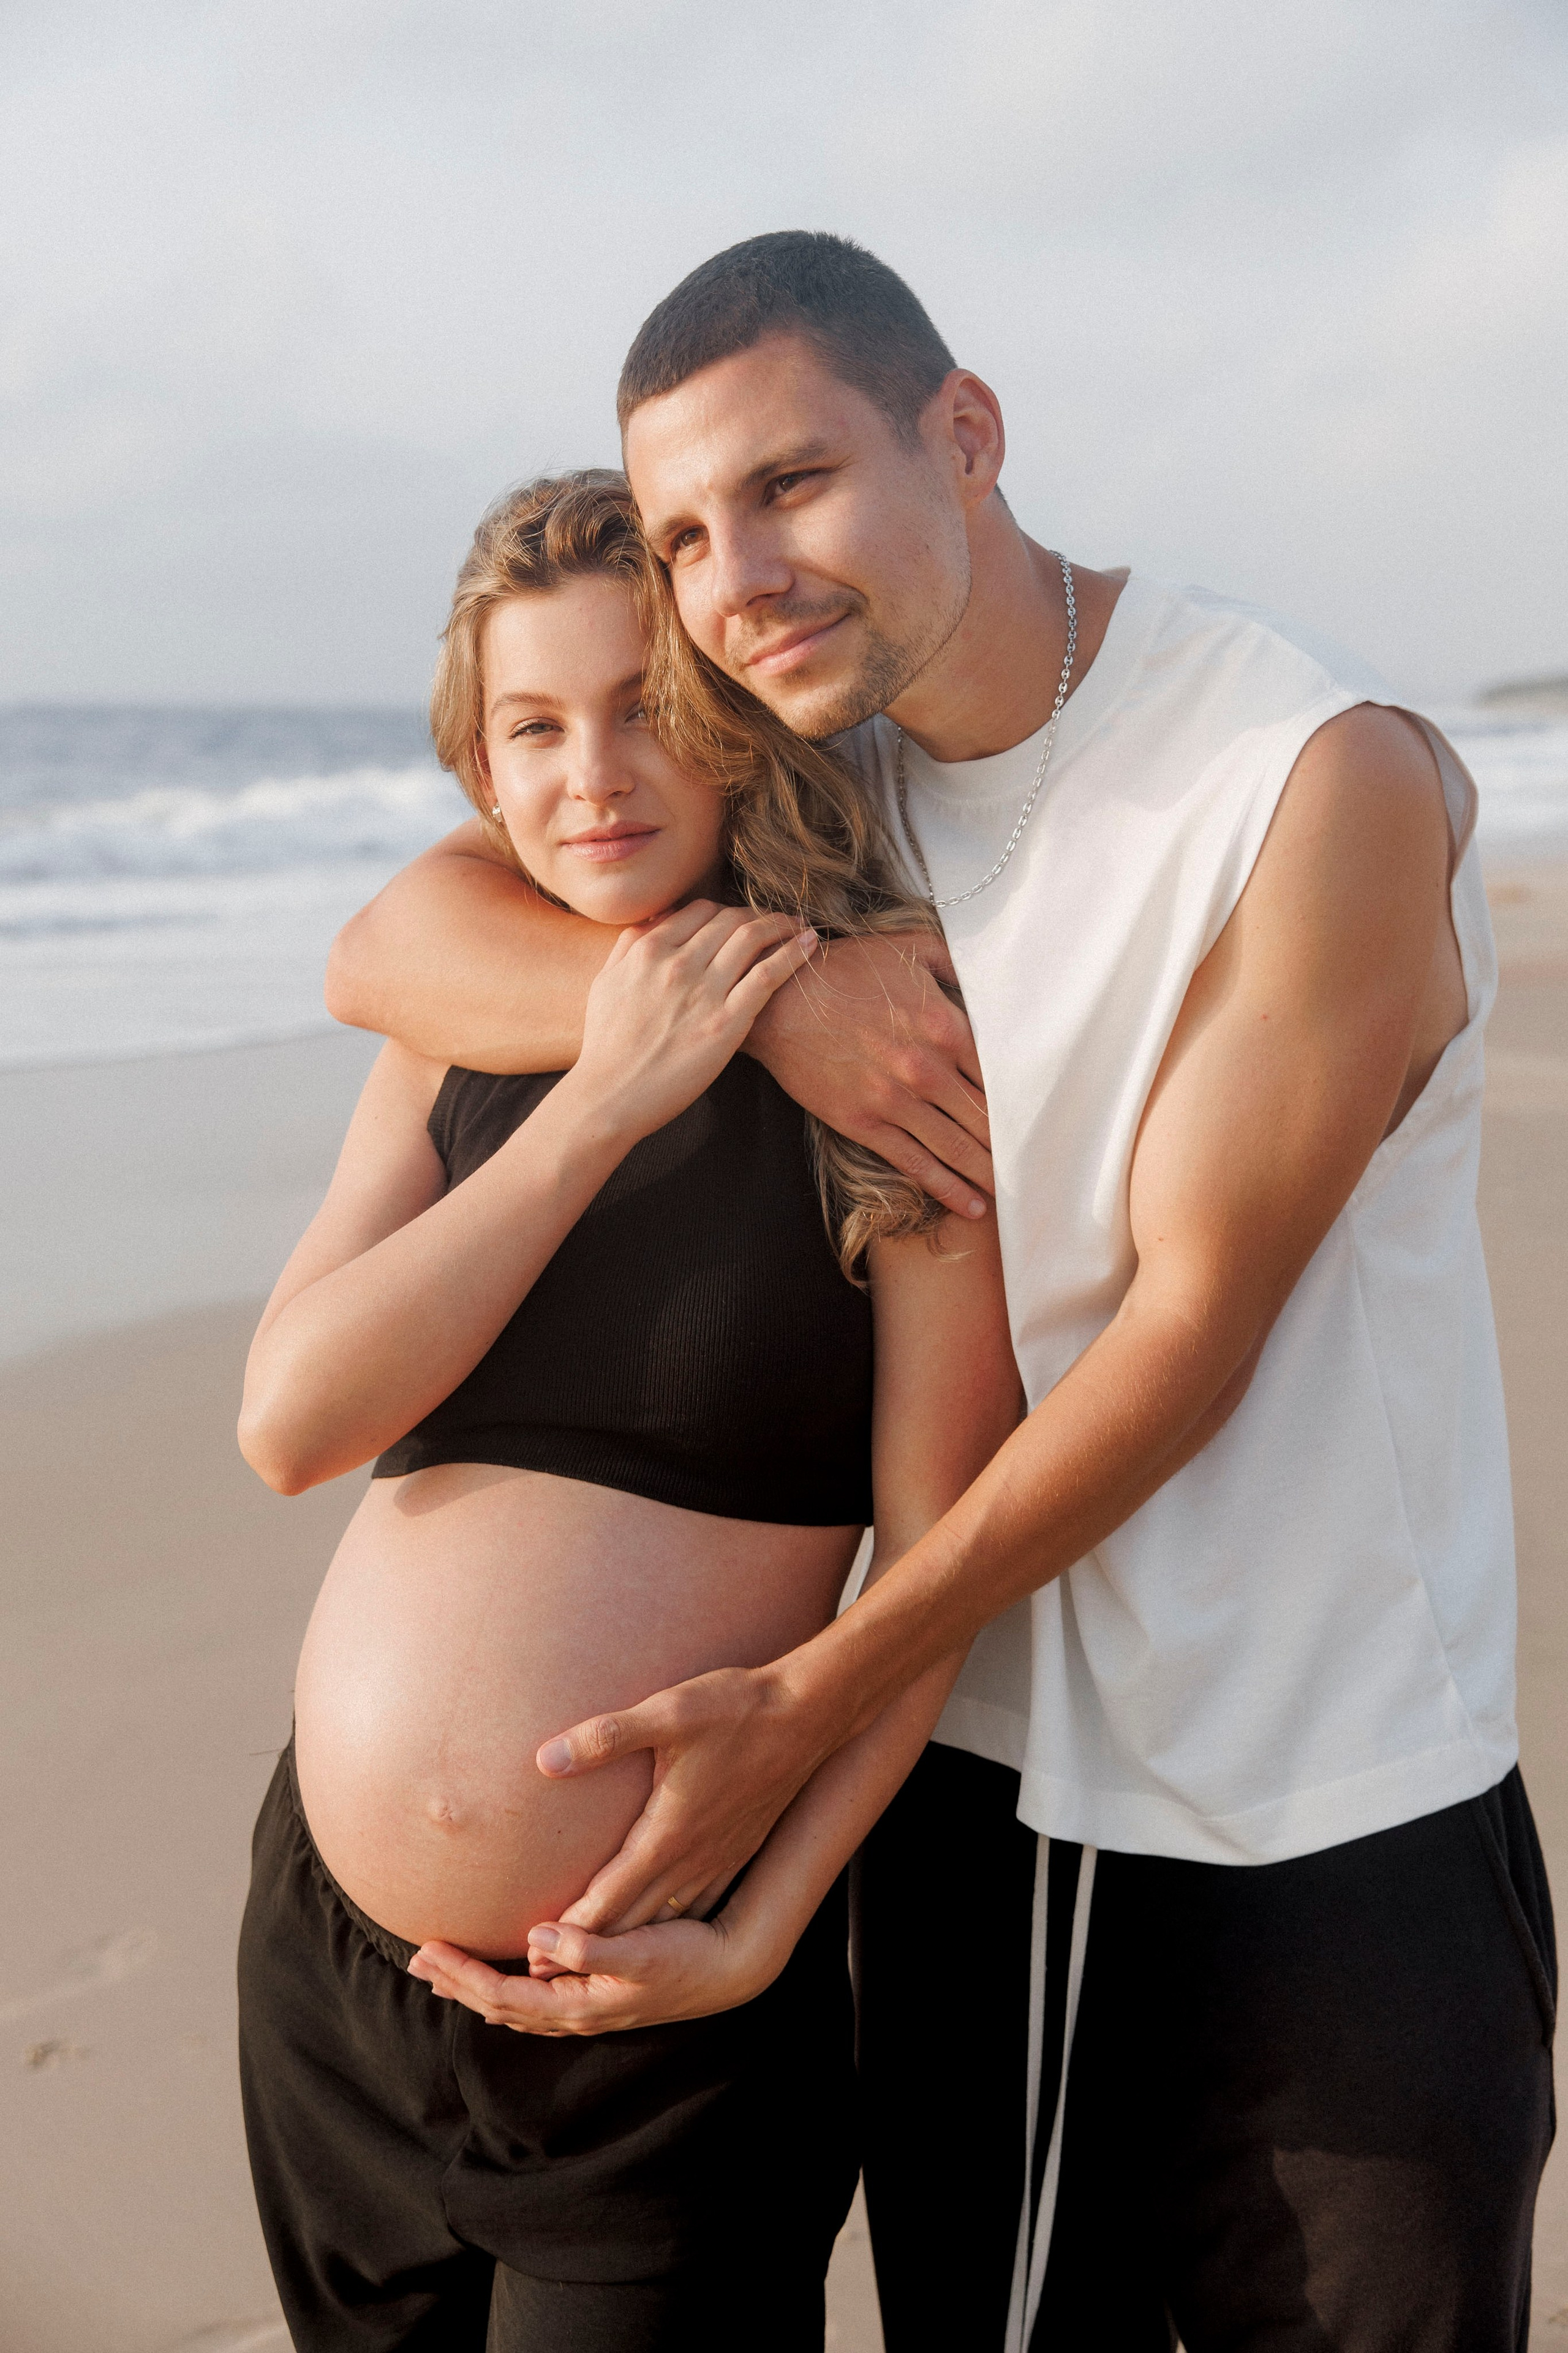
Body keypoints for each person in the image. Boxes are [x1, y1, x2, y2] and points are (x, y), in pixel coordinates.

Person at [329, 236, 1556, 2351]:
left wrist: (807, 1704)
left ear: (965, 435)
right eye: (693, 528)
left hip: (1315, 1810)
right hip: (980, 1804)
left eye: (790, 484)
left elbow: (1184, 1336)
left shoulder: (1296, 775)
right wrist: (779, 997)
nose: (738, 575)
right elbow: (397, 936)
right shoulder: (832, 782)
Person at [233, 469, 1020, 2352]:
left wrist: (765, 1927)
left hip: (657, 2004)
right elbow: (292, 1420)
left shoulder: (897, 1069)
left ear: (741, 732)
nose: (593, 774)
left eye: (648, 709)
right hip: (337, 1982)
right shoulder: (460, 1025)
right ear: (482, 769)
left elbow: (947, 1554)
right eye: (534, 725)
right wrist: (602, 1096)